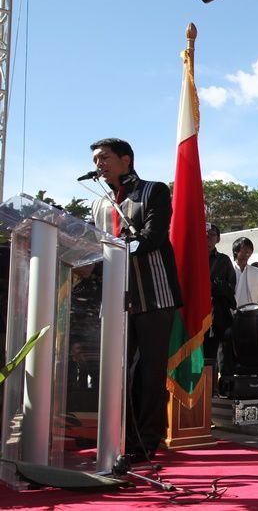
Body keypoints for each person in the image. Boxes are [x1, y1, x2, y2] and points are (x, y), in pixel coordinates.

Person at [89, 138, 183, 460]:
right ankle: (116, 437)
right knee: (117, 370)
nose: (98, 164)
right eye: (95, 159)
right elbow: (93, 246)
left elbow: (154, 237)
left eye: (104, 158)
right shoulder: (99, 203)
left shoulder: (153, 191)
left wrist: (118, 247)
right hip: (116, 296)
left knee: (148, 371)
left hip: (154, 294)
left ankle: (145, 442)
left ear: (125, 159)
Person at [206, 222, 236, 393]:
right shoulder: (192, 256)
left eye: (211, 235)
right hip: (195, 316)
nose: (208, 238)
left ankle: (216, 391)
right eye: (204, 235)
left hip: (217, 315)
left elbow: (231, 288)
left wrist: (212, 286)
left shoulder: (223, 260)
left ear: (218, 239)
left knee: (217, 355)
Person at [232, 237, 258, 307]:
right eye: (244, 248)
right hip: (231, 313)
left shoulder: (257, 273)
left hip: (251, 314)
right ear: (236, 250)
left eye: (250, 249)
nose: (248, 251)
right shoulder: (227, 270)